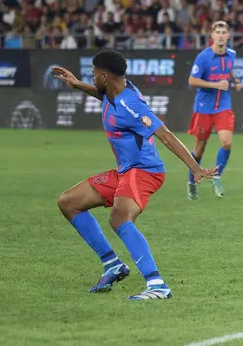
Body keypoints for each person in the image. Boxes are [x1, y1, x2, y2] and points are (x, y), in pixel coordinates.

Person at [52, 50, 217, 300]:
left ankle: (157, 285)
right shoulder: (113, 91)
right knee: (69, 202)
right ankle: (112, 264)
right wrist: (77, 85)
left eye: (95, 74)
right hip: (125, 171)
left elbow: (166, 136)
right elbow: (102, 94)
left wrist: (195, 169)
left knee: (119, 217)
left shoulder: (131, 104)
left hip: (144, 172)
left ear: (105, 75)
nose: (93, 77)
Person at [186, 20, 242, 200]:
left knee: (226, 143)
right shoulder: (203, 57)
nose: (220, 35)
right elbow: (192, 81)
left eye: (223, 32)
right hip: (204, 107)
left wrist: (235, 82)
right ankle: (192, 181)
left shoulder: (231, 54)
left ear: (228, 36)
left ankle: (216, 176)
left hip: (223, 106)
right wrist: (215, 84)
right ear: (212, 36)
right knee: (199, 148)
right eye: (217, 32)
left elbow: (229, 71)